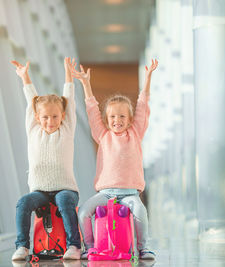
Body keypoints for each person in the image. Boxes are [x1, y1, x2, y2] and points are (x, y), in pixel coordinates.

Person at [71, 59, 158, 260]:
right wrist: (86, 84)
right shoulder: (102, 135)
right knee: (84, 212)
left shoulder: (135, 133)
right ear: (106, 119)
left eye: (121, 117)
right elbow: (92, 111)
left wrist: (148, 79)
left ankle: (143, 247)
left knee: (140, 212)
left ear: (129, 120)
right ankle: (91, 247)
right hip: (106, 193)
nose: (117, 121)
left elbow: (143, 107)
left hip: (130, 194)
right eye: (112, 117)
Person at [10, 58, 81, 261]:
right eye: (45, 117)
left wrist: (68, 74)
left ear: (62, 116)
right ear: (37, 118)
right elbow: (32, 100)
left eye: (55, 117)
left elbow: (69, 98)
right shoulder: (33, 130)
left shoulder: (66, 129)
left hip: (66, 188)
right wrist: (25, 77)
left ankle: (74, 246)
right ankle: (22, 246)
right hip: (39, 191)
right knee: (23, 203)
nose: (50, 121)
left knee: (64, 200)